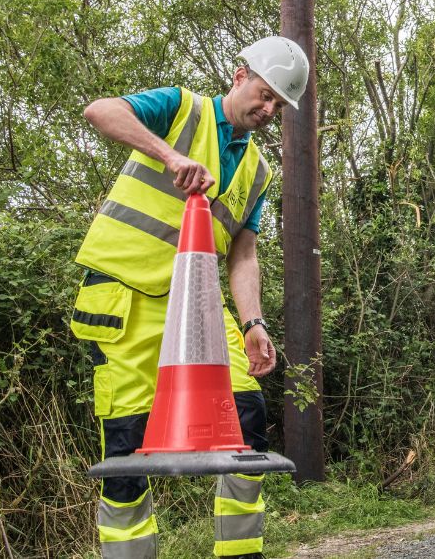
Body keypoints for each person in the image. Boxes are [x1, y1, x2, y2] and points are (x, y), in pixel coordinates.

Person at [69, 36, 310, 559]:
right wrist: (169, 154)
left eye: (277, 105)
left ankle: (240, 555)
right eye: (264, 95)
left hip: (198, 308)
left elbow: (243, 254)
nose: (267, 110)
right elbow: (100, 111)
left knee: (248, 424)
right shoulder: (182, 109)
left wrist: (253, 324)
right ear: (239, 75)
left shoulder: (258, 172)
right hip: (123, 296)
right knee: (128, 447)